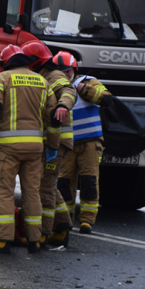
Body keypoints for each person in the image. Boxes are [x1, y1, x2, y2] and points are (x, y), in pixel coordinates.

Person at [0, 45, 60, 254]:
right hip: (35, 148)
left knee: (3, 191)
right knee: (32, 193)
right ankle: (34, 239)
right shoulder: (42, 81)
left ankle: (3, 238)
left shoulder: (3, 79)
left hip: (9, 147)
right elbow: (52, 118)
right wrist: (52, 145)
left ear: (6, 62)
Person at [22, 41, 75, 246]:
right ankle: (62, 227)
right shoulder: (44, 76)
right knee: (50, 186)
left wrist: (63, 105)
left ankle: (43, 233)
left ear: (35, 62)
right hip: (53, 141)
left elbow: (69, 91)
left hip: (57, 142)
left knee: (44, 187)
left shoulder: (54, 76)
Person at [56, 51, 111, 236]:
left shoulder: (89, 81)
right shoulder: (55, 87)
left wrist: (84, 89)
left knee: (89, 181)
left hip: (90, 142)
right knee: (64, 182)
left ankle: (87, 220)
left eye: (67, 71)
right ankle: (66, 219)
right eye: (61, 71)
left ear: (74, 69)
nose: (65, 74)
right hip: (67, 143)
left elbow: (107, 99)